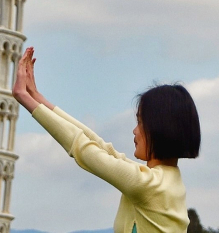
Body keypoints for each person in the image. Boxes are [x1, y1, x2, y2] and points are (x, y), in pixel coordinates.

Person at [12, 47, 201, 233]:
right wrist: (36, 97)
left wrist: (24, 98)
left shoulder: (146, 185)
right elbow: (99, 145)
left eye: (141, 122)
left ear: (161, 129)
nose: (135, 131)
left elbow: (84, 148)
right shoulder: (164, 180)